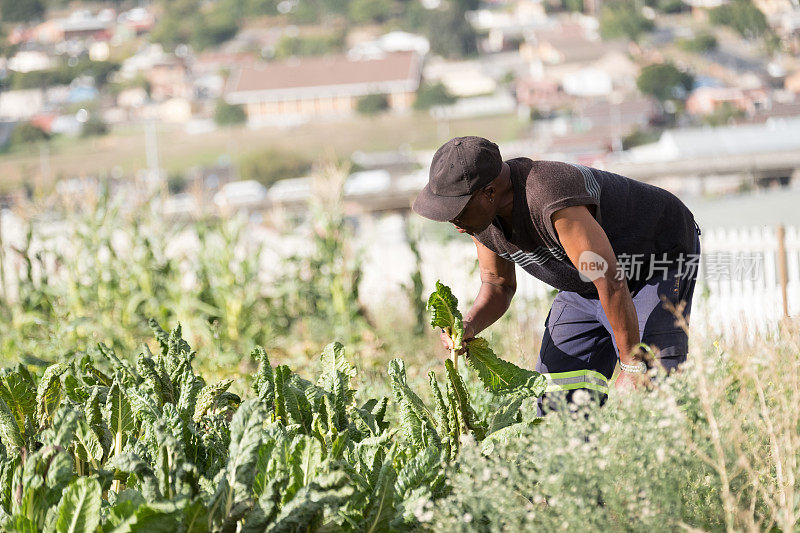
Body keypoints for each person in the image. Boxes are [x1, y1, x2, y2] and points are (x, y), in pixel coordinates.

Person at [411, 136, 701, 413]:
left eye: (458, 210)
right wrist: (469, 324)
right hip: (587, 282)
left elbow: (609, 281)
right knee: (558, 401)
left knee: (650, 390)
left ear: (489, 192)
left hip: (654, 263)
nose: (455, 223)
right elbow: (498, 284)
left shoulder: (550, 197)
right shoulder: (480, 218)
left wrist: (631, 364)